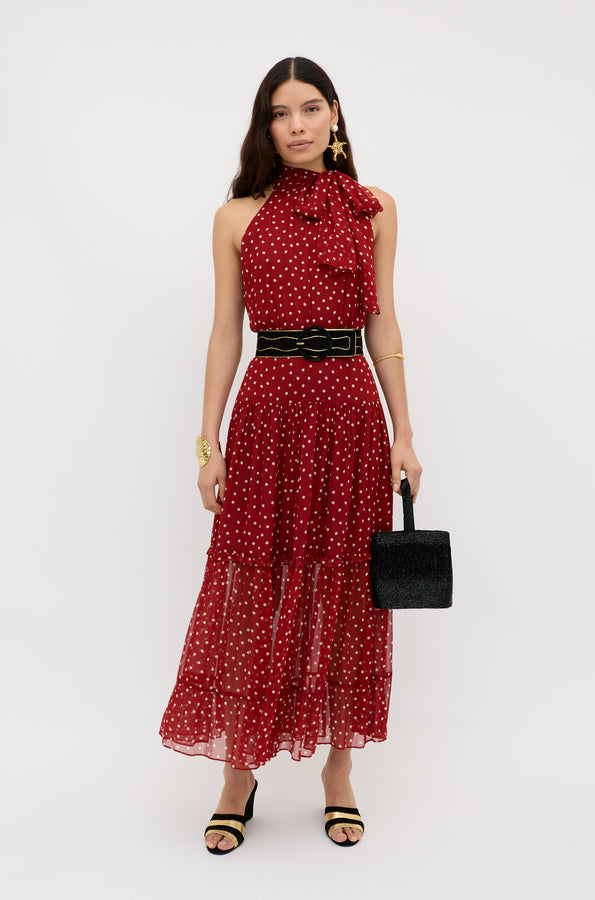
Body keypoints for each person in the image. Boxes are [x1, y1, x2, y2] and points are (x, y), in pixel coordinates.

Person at [158, 56, 423, 853]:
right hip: (270, 410)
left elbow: (384, 326)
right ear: (265, 127)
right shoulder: (237, 216)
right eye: (283, 113)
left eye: (313, 108)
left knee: (348, 588)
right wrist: (209, 444)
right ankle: (239, 771)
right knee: (254, 581)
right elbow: (224, 333)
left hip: (350, 411)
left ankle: (339, 771)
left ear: (335, 116)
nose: (299, 124)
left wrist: (405, 432)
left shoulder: (374, 209)